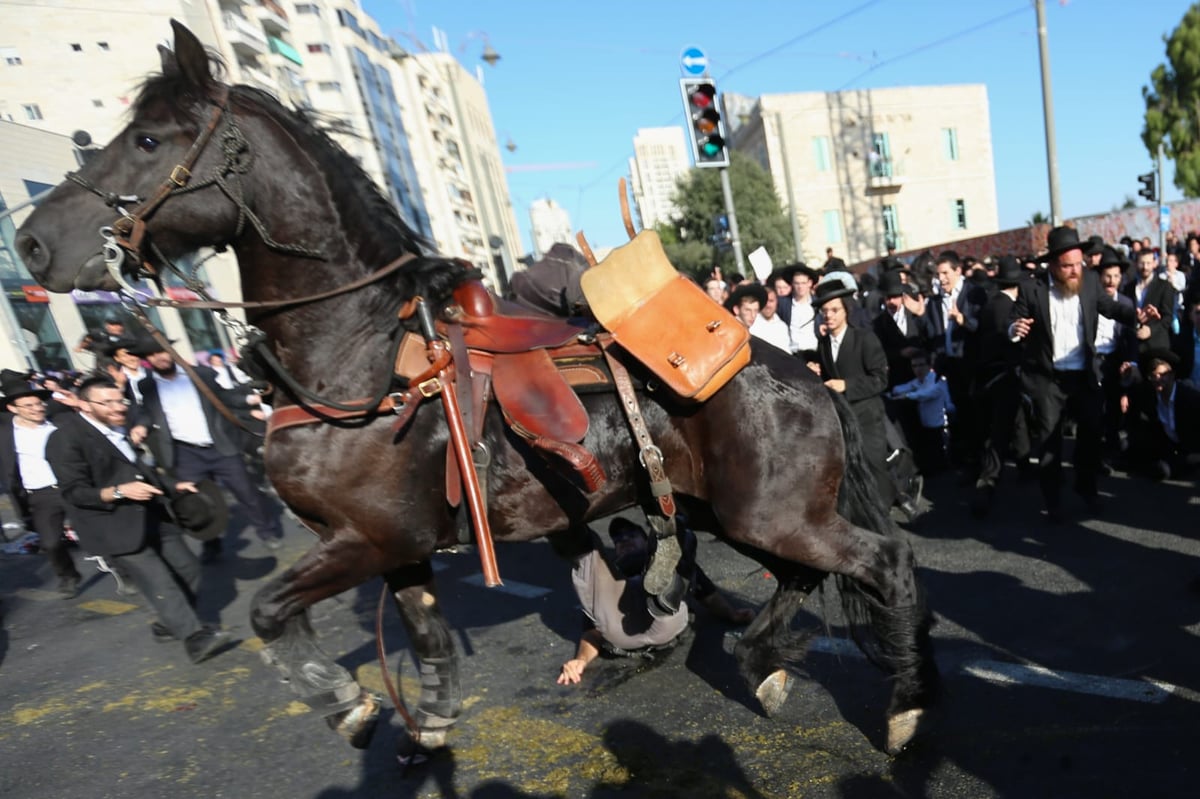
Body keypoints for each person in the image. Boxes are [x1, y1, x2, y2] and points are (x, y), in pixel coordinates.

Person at [45, 376, 233, 662]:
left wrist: (173, 486)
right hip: (113, 524)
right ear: (83, 405)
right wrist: (120, 491)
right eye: (106, 402)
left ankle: (168, 623)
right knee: (160, 582)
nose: (117, 407)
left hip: (152, 513)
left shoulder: (118, 427)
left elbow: (139, 468)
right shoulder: (65, 438)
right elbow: (73, 492)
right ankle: (194, 638)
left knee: (189, 569)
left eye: (119, 400)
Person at [1008, 227, 1156, 522]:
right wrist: (1015, 329)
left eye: (1078, 263)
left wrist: (1136, 315)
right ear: (1052, 265)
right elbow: (1014, 321)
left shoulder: (1089, 281)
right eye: (1067, 266)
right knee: (1050, 443)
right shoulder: (1031, 288)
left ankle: (1086, 488)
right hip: (1048, 379)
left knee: (1090, 435)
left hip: (1083, 375)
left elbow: (1109, 307)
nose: (1075, 270)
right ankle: (1053, 501)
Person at [131, 340, 283, 561]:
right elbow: (147, 412)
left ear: (171, 351)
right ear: (147, 360)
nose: (159, 357)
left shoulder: (200, 374)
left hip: (219, 446)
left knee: (246, 492)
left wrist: (251, 398)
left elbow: (224, 397)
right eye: (152, 355)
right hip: (184, 452)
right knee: (197, 500)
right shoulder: (147, 385)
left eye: (162, 351)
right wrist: (141, 425)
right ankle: (211, 543)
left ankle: (266, 532)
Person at [557, 517, 752, 686]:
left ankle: (665, 570)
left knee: (672, 574)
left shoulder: (645, 559)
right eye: (618, 540)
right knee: (591, 562)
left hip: (664, 619)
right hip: (621, 626)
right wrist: (580, 661)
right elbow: (592, 632)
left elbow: (706, 594)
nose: (624, 541)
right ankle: (565, 528)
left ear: (643, 540)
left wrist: (730, 613)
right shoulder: (613, 569)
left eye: (631, 536)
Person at [810, 280, 896, 507]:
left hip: (868, 415)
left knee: (874, 464)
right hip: (841, 417)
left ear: (846, 310)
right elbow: (828, 377)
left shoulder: (864, 338)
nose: (829, 315)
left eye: (835, 310)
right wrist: (814, 371)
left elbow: (880, 379)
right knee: (849, 468)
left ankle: (885, 511)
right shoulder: (823, 344)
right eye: (825, 311)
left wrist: (846, 385)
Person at [0, 370, 83, 597]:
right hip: (40, 494)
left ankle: (122, 572)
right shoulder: (6, 434)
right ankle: (68, 577)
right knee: (51, 543)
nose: (37, 409)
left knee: (95, 533)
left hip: (73, 486)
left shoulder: (60, 422)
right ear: (12, 409)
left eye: (38, 404)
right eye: (28, 406)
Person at [888, 352, 954, 477]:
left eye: (921, 365)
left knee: (943, 460)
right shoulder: (919, 381)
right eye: (914, 366)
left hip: (941, 426)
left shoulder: (936, 379)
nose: (917, 369)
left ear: (929, 366)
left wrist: (906, 396)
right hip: (927, 426)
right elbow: (901, 388)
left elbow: (925, 394)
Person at [775, 263, 820, 357]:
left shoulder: (818, 303)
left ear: (810, 283)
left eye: (803, 283)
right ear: (792, 284)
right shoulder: (783, 304)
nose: (800, 287)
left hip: (816, 352)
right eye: (797, 283)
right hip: (793, 354)